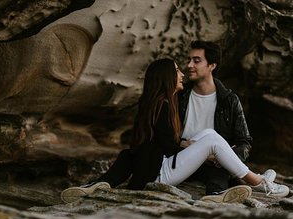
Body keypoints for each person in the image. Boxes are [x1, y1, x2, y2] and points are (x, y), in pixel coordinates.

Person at [60, 58, 290, 204]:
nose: (182, 73)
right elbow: (168, 144)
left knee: (209, 136)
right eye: (177, 70)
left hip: (157, 166)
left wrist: (189, 145)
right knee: (212, 141)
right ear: (167, 77)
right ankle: (258, 183)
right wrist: (204, 153)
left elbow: (156, 143)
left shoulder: (155, 104)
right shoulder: (163, 106)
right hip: (162, 172)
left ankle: (254, 178)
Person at [179, 40, 261, 195]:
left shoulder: (229, 100)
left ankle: (217, 200)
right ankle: (254, 181)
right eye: (189, 60)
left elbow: (244, 141)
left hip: (213, 165)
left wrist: (223, 158)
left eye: (196, 61)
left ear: (212, 66)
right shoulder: (180, 95)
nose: (189, 65)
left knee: (218, 178)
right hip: (181, 158)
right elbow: (166, 133)